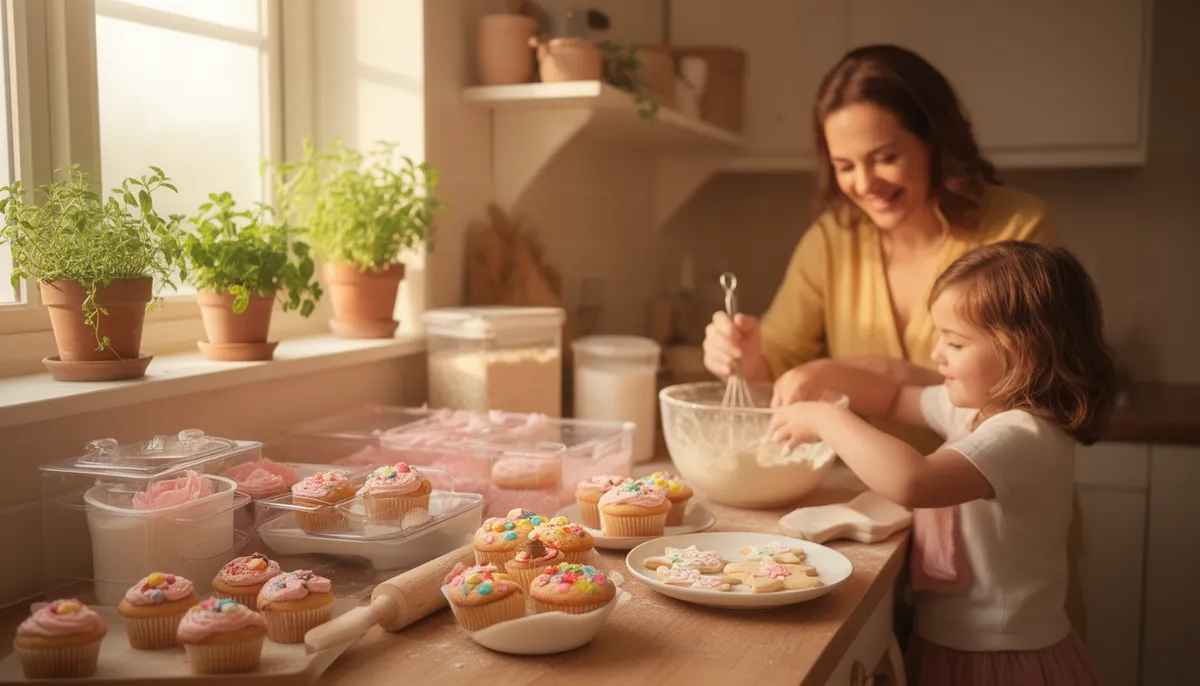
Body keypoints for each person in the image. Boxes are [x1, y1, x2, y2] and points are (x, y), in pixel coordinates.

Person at [768, 241, 1113, 685]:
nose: (936, 355)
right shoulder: (980, 413)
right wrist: (822, 374)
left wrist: (826, 419)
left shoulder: (1022, 436)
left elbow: (913, 480)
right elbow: (892, 395)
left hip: (1000, 664)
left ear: (1021, 354)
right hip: (955, 648)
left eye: (954, 342)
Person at [702, 44, 1056, 441]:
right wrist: (746, 361)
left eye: (885, 158)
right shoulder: (831, 240)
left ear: (934, 142)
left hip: (995, 497)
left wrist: (850, 376)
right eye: (845, 166)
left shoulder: (1017, 230)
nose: (865, 184)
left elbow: (1029, 392)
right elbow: (778, 366)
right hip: (872, 496)